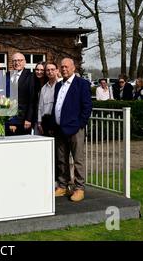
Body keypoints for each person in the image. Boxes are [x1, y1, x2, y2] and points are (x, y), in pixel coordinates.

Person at [52, 58, 92, 202]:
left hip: (75, 129)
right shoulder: (58, 85)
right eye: (61, 67)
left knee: (77, 160)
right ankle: (63, 186)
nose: (64, 69)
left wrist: (80, 124)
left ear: (73, 68)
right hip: (60, 128)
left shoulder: (82, 84)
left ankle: (79, 188)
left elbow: (87, 106)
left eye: (66, 67)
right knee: (61, 159)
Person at [7, 53, 34, 136]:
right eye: (14, 60)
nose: (17, 63)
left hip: (23, 120)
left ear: (25, 62)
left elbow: (32, 99)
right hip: (7, 118)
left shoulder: (31, 76)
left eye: (19, 60)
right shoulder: (7, 75)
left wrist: (28, 119)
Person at [37, 62, 59, 137]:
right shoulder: (44, 88)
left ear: (57, 71)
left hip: (57, 121)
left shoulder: (62, 85)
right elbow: (40, 106)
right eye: (48, 70)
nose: (50, 72)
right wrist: (39, 122)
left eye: (52, 69)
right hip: (46, 121)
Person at [31, 62, 46, 133]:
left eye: (42, 70)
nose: (39, 72)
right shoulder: (33, 83)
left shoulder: (48, 84)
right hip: (36, 119)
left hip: (46, 118)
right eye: (37, 69)